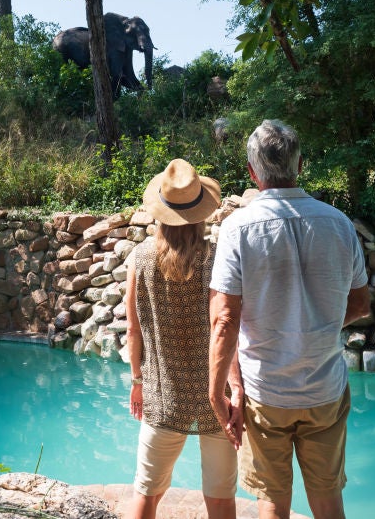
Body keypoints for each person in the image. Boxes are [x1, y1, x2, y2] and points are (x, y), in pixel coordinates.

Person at [208, 120, 371, 519]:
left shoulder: (237, 229)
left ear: (252, 172)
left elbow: (225, 321)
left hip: (266, 393)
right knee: (328, 501)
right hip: (324, 390)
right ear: (300, 166)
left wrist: (217, 394)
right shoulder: (339, 225)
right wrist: (316, 327)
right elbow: (361, 303)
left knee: (272, 504)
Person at [125, 158, 243, 519]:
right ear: (201, 213)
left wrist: (137, 381)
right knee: (221, 499)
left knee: (146, 492)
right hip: (216, 398)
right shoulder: (218, 260)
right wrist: (236, 388)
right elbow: (229, 328)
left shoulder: (139, 260)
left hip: (163, 398)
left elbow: (133, 331)